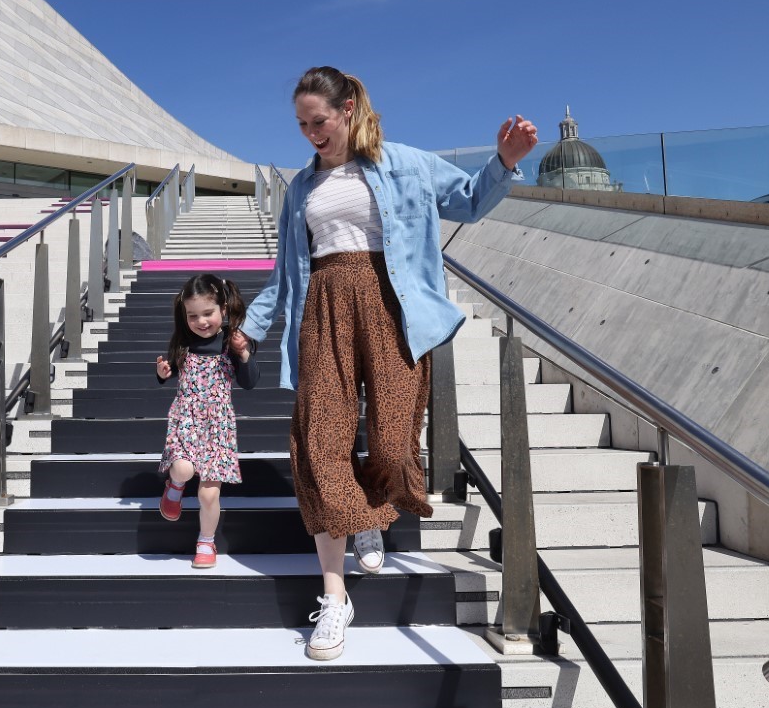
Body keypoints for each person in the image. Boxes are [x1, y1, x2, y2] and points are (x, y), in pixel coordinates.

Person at [242, 66, 539, 660]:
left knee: (396, 443)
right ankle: (334, 597)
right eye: (301, 125)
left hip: (391, 303)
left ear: (347, 109)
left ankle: (371, 510)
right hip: (323, 306)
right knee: (319, 440)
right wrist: (251, 326)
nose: (310, 134)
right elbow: (286, 270)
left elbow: (472, 202)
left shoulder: (407, 163)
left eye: (318, 121)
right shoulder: (301, 187)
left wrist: (503, 161)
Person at [155, 273, 261, 568]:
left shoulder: (232, 343)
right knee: (183, 468)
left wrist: (243, 355)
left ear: (223, 310)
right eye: (193, 315)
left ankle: (206, 541)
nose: (201, 321)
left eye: (208, 313)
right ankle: (174, 487)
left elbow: (250, 382)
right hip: (186, 421)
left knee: (209, 493)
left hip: (218, 428)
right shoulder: (184, 344)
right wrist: (163, 374)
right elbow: (173, 372)